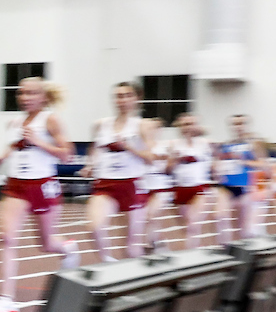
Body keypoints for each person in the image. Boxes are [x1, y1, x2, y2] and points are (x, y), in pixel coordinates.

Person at [0, 77, 79, 312]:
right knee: (6, 237)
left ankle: (68, 248)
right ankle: (6, 298)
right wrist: (2, 157)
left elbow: (67, 155)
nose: (25, 97)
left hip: (43, 185)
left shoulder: (50, 119)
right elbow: (16, 145)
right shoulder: (14, 122)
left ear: (44, 97)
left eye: (32, 93)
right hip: (16, 186)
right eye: (22, 93)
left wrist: (38, 142)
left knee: (46, 244)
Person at [81, 82, 158, 261]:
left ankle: (138, 282)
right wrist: (90, 164)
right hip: (105, 184)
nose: (122, 100)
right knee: (94, 227)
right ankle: (109, 264)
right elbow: (95, 149)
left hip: (131, 184)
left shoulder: (142, 126)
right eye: (118, 96)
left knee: (131, 247)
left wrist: (128, 147)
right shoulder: (101, 125)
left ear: (136, 99)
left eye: (127, 96)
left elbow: (151, 157)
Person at [213, 114, 267, 244]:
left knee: (243, 227)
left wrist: (245, 162)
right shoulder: (226, 145)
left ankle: (244, 251)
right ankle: (225, 248)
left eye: (241, 123)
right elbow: (218, 163)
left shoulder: (253, 144)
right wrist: (217, 169)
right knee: (219, 216)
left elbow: (263, 164)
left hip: (245, 188)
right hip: (227, 187)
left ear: (247, 125)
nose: (238, 127)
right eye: (235, 124)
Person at [168, 112, 213, 249]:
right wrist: (175, 160)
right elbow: (168, 169)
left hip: (199, 187)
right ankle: (196, 247)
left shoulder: (204, 144)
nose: (188, 127)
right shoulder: (173, 145)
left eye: (191, 124)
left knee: (193, 222)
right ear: (180, 127)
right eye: (185, 124)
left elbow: (212, 165)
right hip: (181, 188)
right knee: (187, 226)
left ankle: (191, 253)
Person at [142, 129, 176, 253]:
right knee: (151, 218)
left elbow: (170, 166)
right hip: (145, 186)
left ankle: (149, 245)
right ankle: (160, 244)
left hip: (162, 187)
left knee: (151, 215)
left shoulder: (166, 146)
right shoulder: (140, 147)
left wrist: (170, 161)